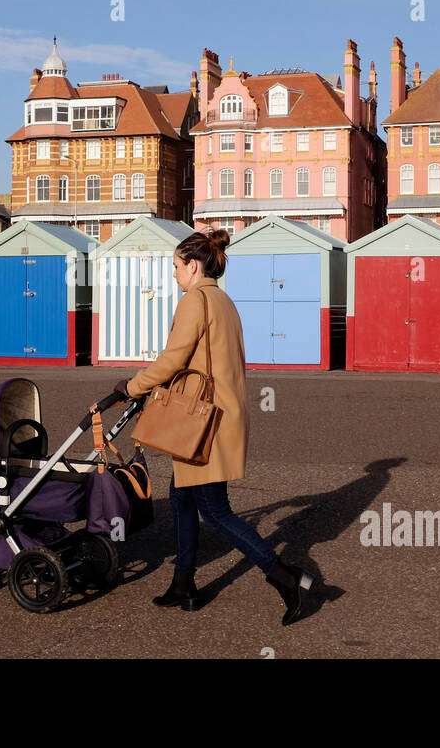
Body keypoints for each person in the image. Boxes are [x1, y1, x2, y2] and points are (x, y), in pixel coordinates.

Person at [114, 229, 312, 626]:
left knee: (214, 509)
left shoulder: (195, 300)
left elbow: (172, 359)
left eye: (175, 266)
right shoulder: (222, 300)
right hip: (220, 414)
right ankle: (184, 583)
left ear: (193, 265)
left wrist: (131, 386)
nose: (173, 274)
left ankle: (285, 576)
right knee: (182, 499)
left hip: (203, 424)